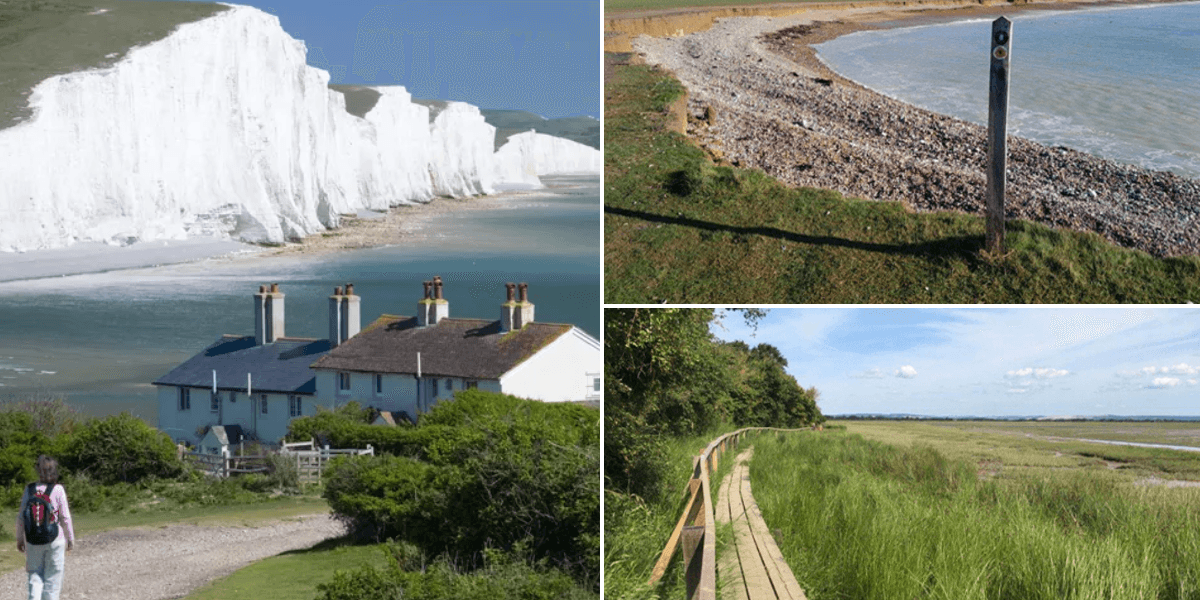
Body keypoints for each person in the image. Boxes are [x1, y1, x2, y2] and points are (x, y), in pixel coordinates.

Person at [15, 455, 74, 600]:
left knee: (34, 575)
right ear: (55, 471)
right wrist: (70, 538)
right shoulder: (58, 489)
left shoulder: (29, 489)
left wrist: (20, 539)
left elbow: (21, 516)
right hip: (55, 539)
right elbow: (65, 517)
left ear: (39, 471)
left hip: (33, 539)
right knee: (52, 579)